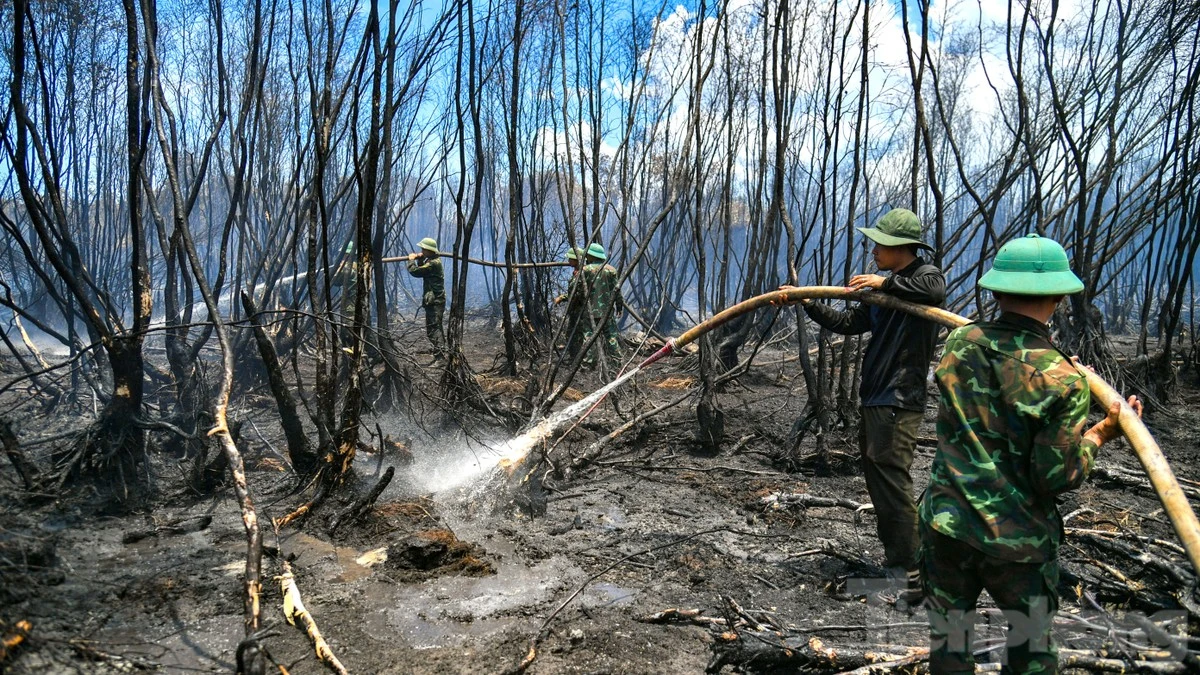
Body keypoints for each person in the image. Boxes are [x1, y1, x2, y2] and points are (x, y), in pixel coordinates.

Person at [919, 234, 1142, 674]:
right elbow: (1054, 477)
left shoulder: (961, 342)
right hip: (1017, 543)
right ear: (1059, 296)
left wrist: (1062, 372)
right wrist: (1100, 432)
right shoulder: (1063, 379)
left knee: (949, 645)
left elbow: (1002, 378)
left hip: (946, 526)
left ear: (997, 289)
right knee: (1031, 655)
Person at [798, 207, 945, 600]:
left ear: (901, 247)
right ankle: (901, 567)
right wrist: (808, 302)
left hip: (898, 399)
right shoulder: (887, 285)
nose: (874, 249)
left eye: (881, 243)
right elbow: (850, 323)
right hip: (875, 398)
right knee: (881, 485)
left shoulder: (923, 275)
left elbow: (934, 293)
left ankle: (909, 574)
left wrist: (884, 282)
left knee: (892, 485)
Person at [580, 242, 623, 371]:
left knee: (588, 337)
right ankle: (617, 363)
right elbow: (617, 291)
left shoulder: (585, 270)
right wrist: (619, 306)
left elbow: (578, 290)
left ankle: (589, 363)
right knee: (611, 336)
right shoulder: (611, 270)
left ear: (591, 255)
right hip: (607, 312)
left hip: (589, 311)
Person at [406, 237, 445, 361]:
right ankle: (440, 355)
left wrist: (411, 260)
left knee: (434, 329)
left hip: (435, 301)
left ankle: (440, 358)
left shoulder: (434, 263)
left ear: (429, 250)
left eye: (423, 249)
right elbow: (424, 270)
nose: (421, 250)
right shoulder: (432, 260)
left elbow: (416, 272)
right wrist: (421, 259)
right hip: (434, 300)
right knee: (435, 328)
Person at [554, 247, 586, 359]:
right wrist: (563, 297)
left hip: (581, 311)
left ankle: (578, 359)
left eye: (570, 259)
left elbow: (578, 293)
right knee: (571, 333)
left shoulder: (583, 274)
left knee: (578, 336)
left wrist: (564, 297)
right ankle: (574, 358)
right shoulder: (577, 273)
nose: (568, 261)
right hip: (575, 310)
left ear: (576, 259)